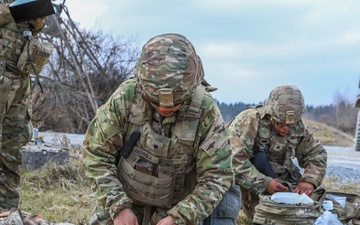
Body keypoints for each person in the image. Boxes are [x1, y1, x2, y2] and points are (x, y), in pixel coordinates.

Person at [82, 33, 234, 225]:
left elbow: (217, 175)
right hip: (124, 200)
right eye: (155, 102)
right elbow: (96, 155)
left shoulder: (206, 111)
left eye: (176, 103)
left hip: (178, 208)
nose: (164, 108)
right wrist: (118, 206)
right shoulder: (126, 98)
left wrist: (178, 217)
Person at [228, 85, 327, 221]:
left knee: (318, 209)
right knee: (273, 218)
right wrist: (265, 183)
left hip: (283, 185)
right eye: (280, 124)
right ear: (271, 114)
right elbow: (233, 160)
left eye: (290, 125)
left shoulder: (297, 126)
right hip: (251, 186)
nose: (285, 129)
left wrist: (309, 181)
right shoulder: (250, 120)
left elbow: (316, 154)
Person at [0, 0, 51, 211]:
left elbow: (38, 27)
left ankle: (8, 212)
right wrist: (14, 11)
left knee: (12, 146)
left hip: (20, 79)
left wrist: (37, 15)